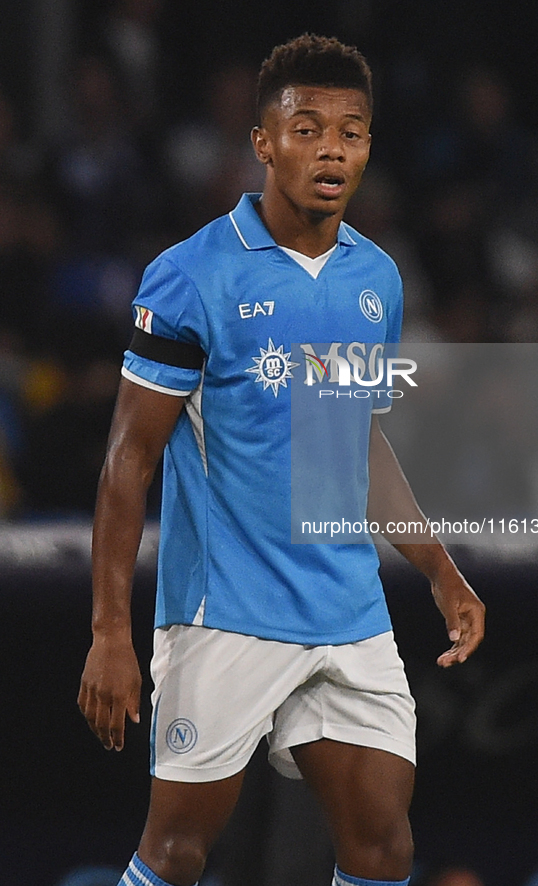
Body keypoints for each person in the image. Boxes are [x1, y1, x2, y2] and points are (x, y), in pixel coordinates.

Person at [78, 34, 485, 886]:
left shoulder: (375, 278)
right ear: (263, 143)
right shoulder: (190, 276)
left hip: (346, 610)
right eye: (306, 129)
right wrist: (110, 631)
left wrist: (440, 571)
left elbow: (354, 440)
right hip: (223, 611)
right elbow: (127, 460)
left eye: (351, 131)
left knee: (383, 848)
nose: (331, 148)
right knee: (178, 854)